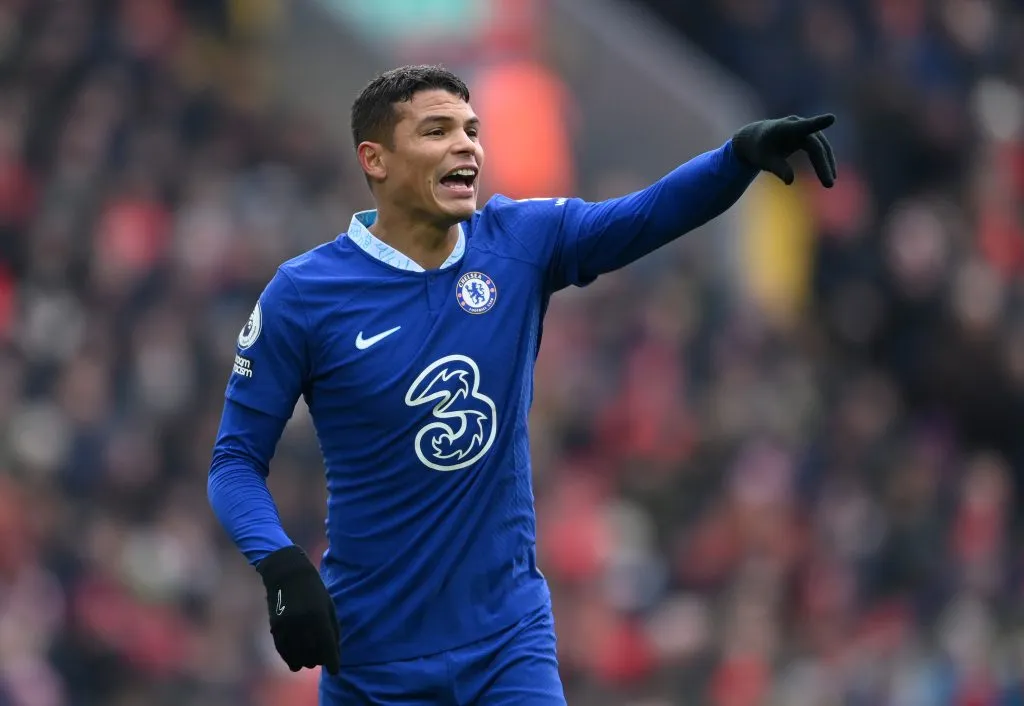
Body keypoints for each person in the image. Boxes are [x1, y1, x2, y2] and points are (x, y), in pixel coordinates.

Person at [207, 64, 836, 705]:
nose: (466, 146)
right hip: (375, 658)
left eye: (472, 130)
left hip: (508, 646)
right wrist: (281, 564)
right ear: (377, 161)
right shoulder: (304, 295)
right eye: (436, 131)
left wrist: (735, 159)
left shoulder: (518, 241)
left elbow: (644, 217)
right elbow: (233, 462)